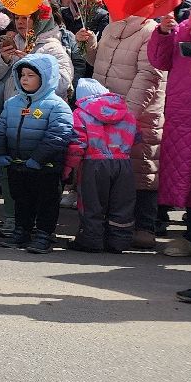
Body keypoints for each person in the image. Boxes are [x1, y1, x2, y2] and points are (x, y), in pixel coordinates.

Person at [0, 9, 74, 238]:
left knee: (42, 190)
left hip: (41, 121)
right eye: (18, 18)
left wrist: (31, 65)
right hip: (14, 117)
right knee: (14, 180)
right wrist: (4, 60)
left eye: (28, 19)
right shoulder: (7, 44)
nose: (22, 23)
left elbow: (63, 82)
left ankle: (41, 232)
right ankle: (15, 222)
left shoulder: (52, 47)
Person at [87, 12, 167, 252]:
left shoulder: (150, 30)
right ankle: (115, 225)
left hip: (137, 111)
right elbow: (99, 63)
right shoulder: (112, 27)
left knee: (142, 165)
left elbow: (149, 75)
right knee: (113, 166)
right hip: (105, 108)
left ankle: (145, 226)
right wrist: (89, 44)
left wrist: (127, 114)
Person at [0, 54, 74, 254]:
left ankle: (44, 234)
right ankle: (21, 231)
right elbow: (0, 129)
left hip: (45, 167)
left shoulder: (57, 105)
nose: (24, 79)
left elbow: (58, 135)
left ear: (45, 78)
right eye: (21, 75)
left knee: (46, 202)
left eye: (30, 75)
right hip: (17, 163)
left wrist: (38, 158)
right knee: (21, 199)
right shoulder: (12, 103)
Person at [148, 6, 191, 254]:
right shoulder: (182, 29)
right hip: (183, 117)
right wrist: (162, 32)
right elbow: (160, 60)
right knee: (188, 179)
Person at [65, 77, 140, 254]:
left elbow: (77, 144)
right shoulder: (126, 112)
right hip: (123, 163)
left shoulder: (80, 113)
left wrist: (69, 168)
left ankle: (90, 240)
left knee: (92, 203)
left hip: (94, 164)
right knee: (122, 204)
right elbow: (137, 137)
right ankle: (119, 242)